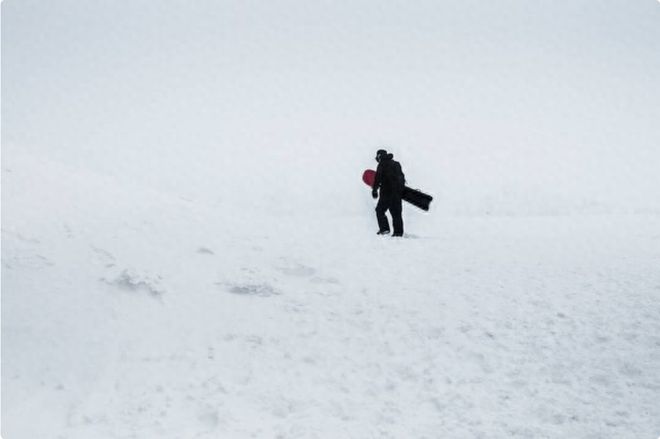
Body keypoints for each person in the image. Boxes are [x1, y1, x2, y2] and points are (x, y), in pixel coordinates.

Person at [371, 149, 405, 236]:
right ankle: (398, 233)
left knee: (379, 210)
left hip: (386, 193)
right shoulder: (396, 164)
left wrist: (375, 190)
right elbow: (402, 178)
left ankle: (384, 229)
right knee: (396, 213)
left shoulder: (381, 165)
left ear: (379, 156)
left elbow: (377, 179)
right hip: (397, 193)